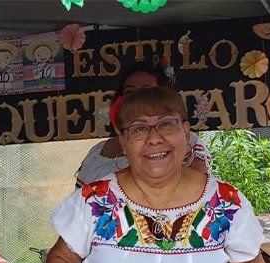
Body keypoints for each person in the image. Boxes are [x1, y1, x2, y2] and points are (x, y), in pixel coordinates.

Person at [47, 86, 268, 263]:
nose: (154, 138)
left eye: (166, 124)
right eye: (139, 129)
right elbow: (60, 260)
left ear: (186, 132)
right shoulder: (95, 200)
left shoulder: (225, 202)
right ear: (123, 142)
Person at [75, 61, 211, 188]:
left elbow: (197, 194)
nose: (137, 99)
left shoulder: (185, 144)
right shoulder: (98, 152)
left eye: (147, 91)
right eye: (129, 92)